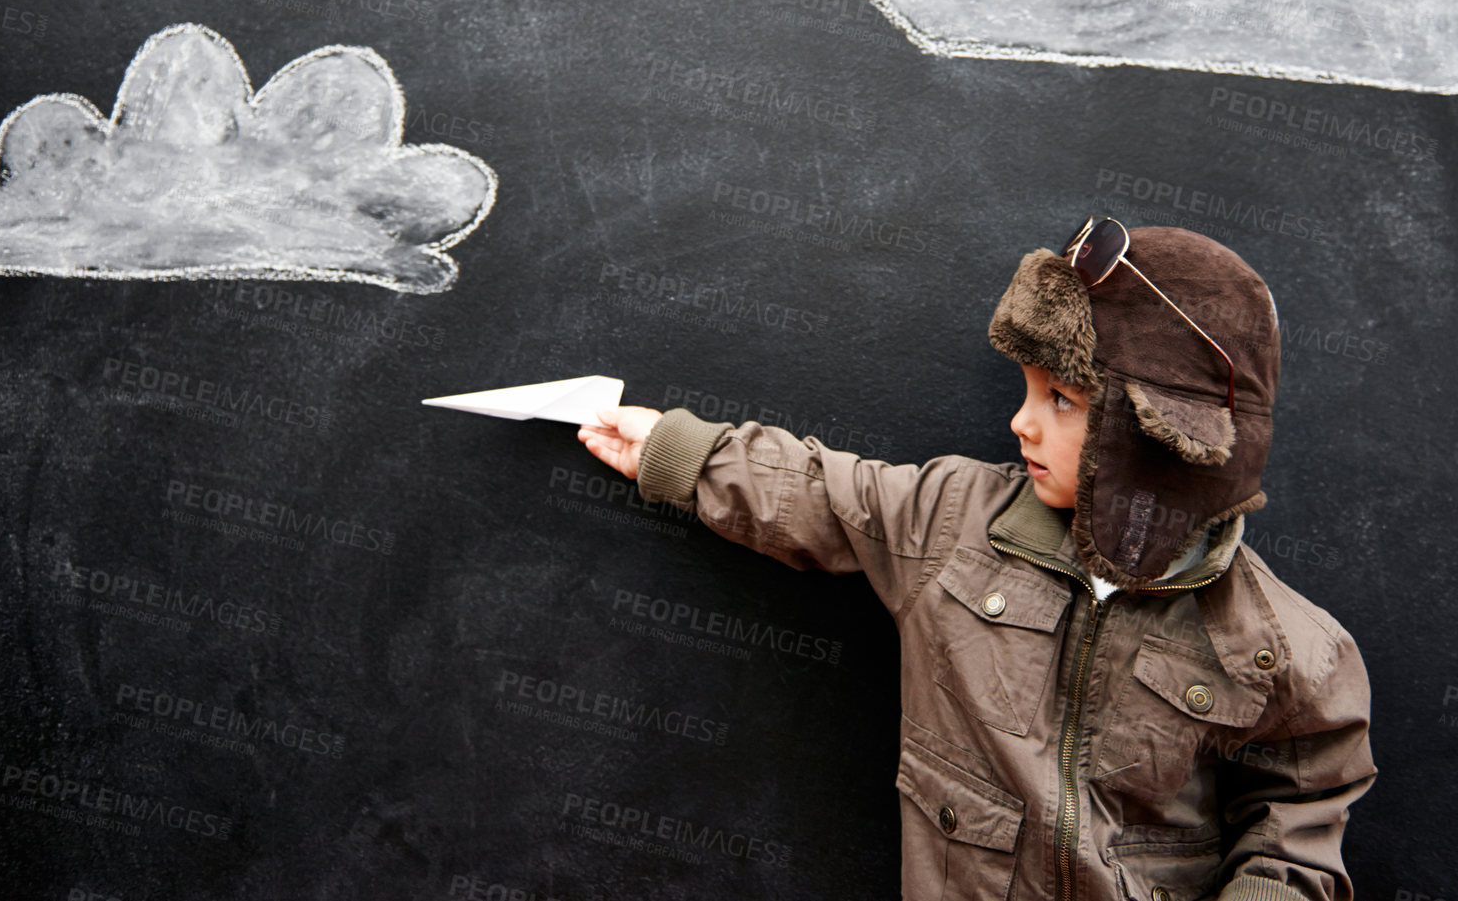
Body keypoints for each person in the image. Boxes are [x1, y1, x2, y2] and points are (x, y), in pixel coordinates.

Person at [578, 220, 1375, 901]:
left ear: (1157, 435)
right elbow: (819, 492)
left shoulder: (1282, 644)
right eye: (1025, 390)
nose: (1020, 422)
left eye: (1059, 399)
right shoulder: (954, 519)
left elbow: (1300, 814)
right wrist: (676, 448)